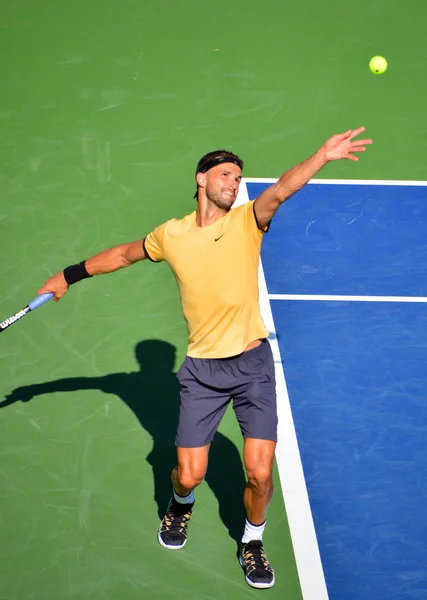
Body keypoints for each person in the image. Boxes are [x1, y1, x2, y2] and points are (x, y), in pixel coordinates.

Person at [37, 127, 372, 589]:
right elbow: (121, 255)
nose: (235, 182)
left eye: (238, 176)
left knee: (258, 473)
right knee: (189, 475)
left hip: (252, 368)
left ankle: (252, 540)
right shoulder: (170, 235)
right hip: (203, 374)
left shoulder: (248, 220)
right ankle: (180, 505)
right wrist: (67, 276)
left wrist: (322, 156)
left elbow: (282, 188)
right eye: (226, 174)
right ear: (201, 179)